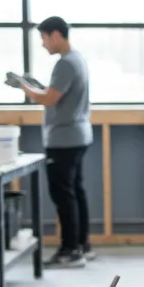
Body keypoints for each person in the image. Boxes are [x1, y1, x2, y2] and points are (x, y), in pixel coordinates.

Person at [21, 16, 94, 269]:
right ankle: (82, 245)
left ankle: (70, 251)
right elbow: (58, 94)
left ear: (56, 35)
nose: (43, 44)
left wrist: (24, 87)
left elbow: (49, 99)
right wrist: (36, 87)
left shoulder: (65, 63)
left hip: (64, 139)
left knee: (63, 195)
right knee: (75, 192)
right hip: (78, 135)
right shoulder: (77, 59)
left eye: (43, 38)